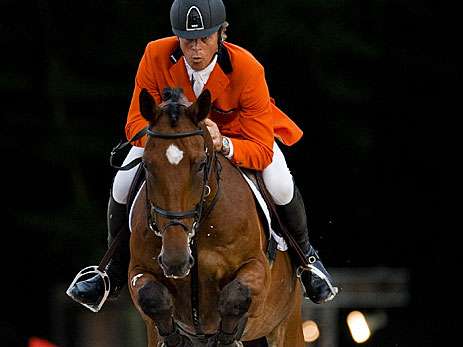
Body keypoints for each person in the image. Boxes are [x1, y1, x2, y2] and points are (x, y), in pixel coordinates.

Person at [67, 0, 337, 307]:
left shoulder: (247, 68)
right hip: (174, 141)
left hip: (240, 136)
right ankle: (111, 271)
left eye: (204, 39)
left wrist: (222, 144)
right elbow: (134, 123)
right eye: (188, 40)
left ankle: (308, 261)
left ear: (222, 34)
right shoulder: (155, 55)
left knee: (280, 183)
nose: (195, 49)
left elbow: (261, 150)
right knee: (121, 183)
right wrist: (177, 133)